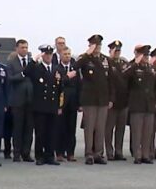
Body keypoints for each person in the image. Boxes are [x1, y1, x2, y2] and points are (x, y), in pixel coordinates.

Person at [75, 34, 113, 165]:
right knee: (89, 128)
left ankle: (99, 153)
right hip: (89, 99)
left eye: (99, 45)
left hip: (103, 99)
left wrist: (111, 98)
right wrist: (87, 54)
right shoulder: (85, 58)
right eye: (94, 45)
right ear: (90, 46)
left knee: (100, 127)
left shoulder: (106, 60)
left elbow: (111, 80)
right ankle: (89, 154)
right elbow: (76, 66)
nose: (97, 48)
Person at [27, 44, 62, 165]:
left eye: (50, 54)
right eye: (46, 54)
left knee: (52, 133)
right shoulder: (37, 68)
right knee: (40, 133)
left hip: (52, 106)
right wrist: (34, 60)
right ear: (43, 55)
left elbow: (60, 89)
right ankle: (39, 156)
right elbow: (26, 72)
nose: (48, 56)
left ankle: (50, 156)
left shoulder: (56, 69)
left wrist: (59, 106)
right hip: (40, 106)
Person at [125, 44, 156, 164]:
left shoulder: (150, 68)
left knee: (147, 132)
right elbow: (123, 76)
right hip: (137, 105)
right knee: (137, 132)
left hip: (148, 105)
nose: (147, 57)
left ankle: (145, 154)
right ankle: (137, 155)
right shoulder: (132, 66)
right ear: (138, 55)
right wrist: (135, 64)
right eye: (144, 55)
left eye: (148, 55)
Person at [7, 39, 35, 162]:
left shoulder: (32, 62)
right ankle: (17, 153)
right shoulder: (11, 62)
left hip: (30, 99)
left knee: (29, 128)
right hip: (17, 100)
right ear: (17, 49)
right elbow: (10, 78)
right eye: (22, 47)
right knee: (18, 128)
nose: (24, 50)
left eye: (26, 47)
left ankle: (26, 153)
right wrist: (23, 74)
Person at [54, 47, 81, 162]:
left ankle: (70, 153)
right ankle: (59, 152)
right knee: (60, 128)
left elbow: (80, 86)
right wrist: (67, 77)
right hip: (61, 103)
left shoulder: (75, 68)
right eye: (65, 54)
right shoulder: (56, 68)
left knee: (71, 129)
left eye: (69, 54)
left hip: (73, 103)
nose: (67, 56)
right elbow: (57, 85)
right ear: (60, 55)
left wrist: (80, 103)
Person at [105, 40, 130, 161]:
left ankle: (118, 151)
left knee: (121, 128)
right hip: (112, 102)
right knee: (109, 128)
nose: (117, 53)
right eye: (115, 50)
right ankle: (109, 152)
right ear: (110, 51)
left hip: (123, 101)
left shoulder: (124, 63)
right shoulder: (107, 62)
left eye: (119, 50)